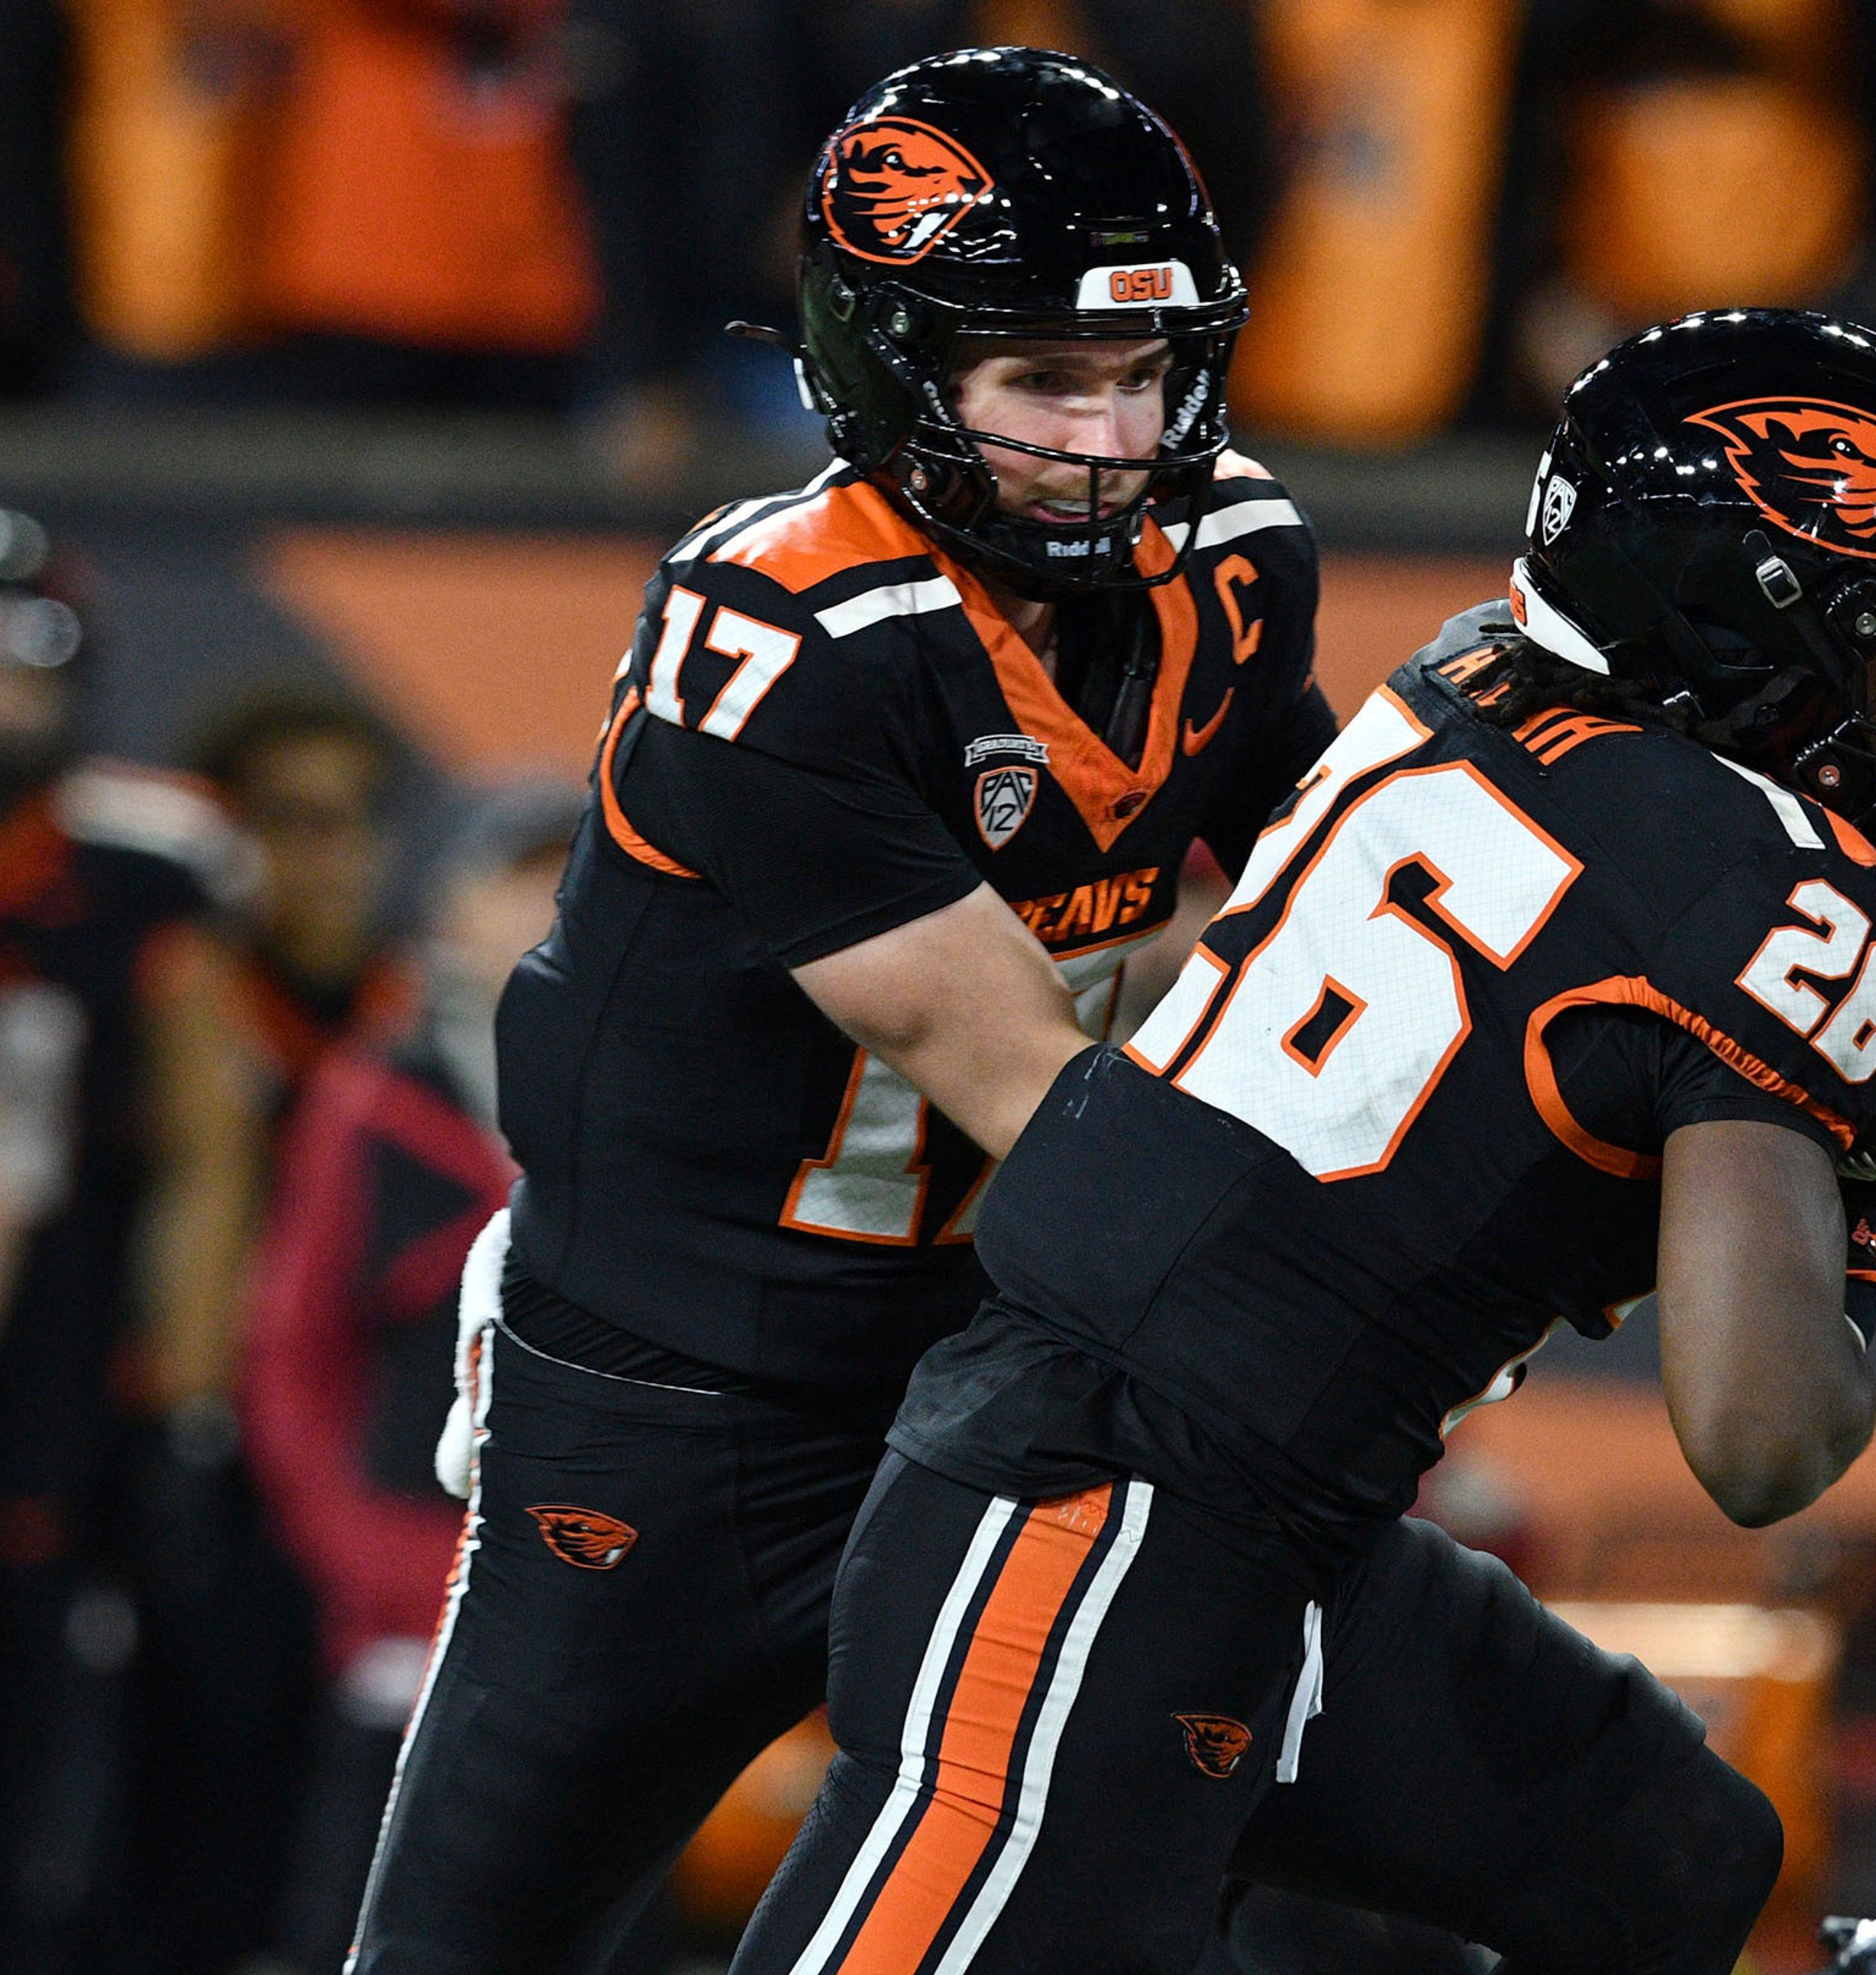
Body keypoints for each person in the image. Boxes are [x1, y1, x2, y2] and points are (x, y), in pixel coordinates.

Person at [729, 307, 1876, 1975]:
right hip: (1100, 1524)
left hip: (1241, 1506)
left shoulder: (1475, 671)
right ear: (1765, 619)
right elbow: (1764, 1439)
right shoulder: (1780, 889)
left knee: (1661, 1853)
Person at [346, 48, 1338, 1973]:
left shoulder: (1227, 561)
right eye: (1047, 379)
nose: (1112, 433)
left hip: (987, 1359)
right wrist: (1357, 1298)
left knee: (1196, 1873)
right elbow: (1023, 1083)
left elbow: (1342, 908)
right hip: (678, 1387)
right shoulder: (789, 621)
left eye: (1143, 371)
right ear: (894, 370)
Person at [0, 498, 270, 1973]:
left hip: (45, 1375)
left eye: (16, 667)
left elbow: (208, 1156)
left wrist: (184, 1392)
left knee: (18, 1775)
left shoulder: (146, 876)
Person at [241, 784, 581, 1974]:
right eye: (513, 876)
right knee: (367, 1911)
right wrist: (364, 1559)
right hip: (398, 1600)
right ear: (447, 907)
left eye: (572, 869)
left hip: (596, 1600)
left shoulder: (667, 1096)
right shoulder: (374, 1099)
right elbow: (292, 1355)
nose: (544, 904)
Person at [193, 689, 422, 1118]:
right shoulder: (184, 995)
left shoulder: (426, 1008)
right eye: (289, 819)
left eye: (347, 818)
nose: (325, 853)